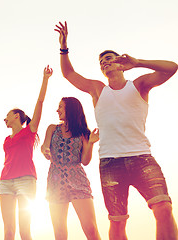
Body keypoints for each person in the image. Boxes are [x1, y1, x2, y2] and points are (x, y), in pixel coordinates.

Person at [54, 21, 178, 240]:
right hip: (111, 163)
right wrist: (64, 47)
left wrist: (138, 62)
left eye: (108, 59)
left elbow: (172, 67)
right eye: (101, 62)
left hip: (142, 158)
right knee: (117, 222)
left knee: (164, 209)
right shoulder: (97, 90)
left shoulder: (139, 85)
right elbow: (69, 73)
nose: (104, 64)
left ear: (121, 63)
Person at [0, 66, 52, 240]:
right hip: (6, 183)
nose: (4, 119)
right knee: (8, 231)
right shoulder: (7, 140)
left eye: (7, 115)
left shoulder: (29, 131)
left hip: (26, 180)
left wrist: (45, 79)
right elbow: (6, 165)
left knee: (25, 231)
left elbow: (39, 103)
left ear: (17, 116)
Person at [41, 97, 101, 240]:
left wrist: (91, 143)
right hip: (55, 182)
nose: (57, 110)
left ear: (71, 109)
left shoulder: (83, 133)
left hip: (77, 180)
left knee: (90, 228)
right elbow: (45, 146)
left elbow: (85, 161)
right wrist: (45, 151)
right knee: (60, 233)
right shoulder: (52, 129)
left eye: (61, 107)